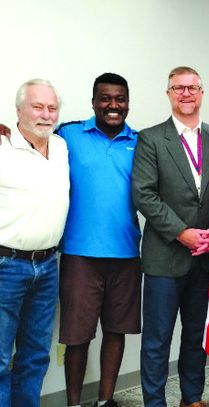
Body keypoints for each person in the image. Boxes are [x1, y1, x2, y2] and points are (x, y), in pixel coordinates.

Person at [132, 66, 209, 407]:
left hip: (206, 258)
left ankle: (192, 397)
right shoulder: (151, 138)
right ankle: (154, 402)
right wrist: (182, 233)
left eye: (192, 88)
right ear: (169, 93)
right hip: (165, 257)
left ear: (202, 92)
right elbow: (144, 195)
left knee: (195, 335)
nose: (186, 94)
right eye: (178, 88)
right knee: (158, 339)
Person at [58, 73, 141, 407]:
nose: (113, 105)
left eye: (120, 99)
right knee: (76, 337)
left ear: (127, 103)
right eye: (105, 98)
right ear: (93, 102)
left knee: (116, 330)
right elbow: (33, 140)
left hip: (126, 254)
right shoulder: (68, 135)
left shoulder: (141, 141)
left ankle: (106, 401)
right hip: (80, 254)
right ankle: (74, 403)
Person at [0, 79, 69, 407]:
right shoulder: (2, 146)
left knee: (35, 356)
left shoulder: (61, 147)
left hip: (47, 267)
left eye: (52, 108)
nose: (46, 114)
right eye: (37, 107)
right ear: (18, 111)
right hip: (6, 267)